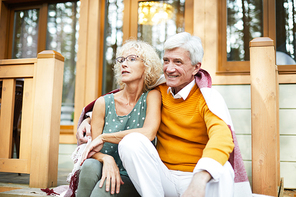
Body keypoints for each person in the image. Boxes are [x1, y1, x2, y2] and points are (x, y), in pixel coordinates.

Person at [77, 32, 249, 197]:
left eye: (178, 62)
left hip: (197, 176)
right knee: (131, 142)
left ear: (196, 67)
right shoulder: (160, 90)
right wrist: (89, 118)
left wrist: (200, 178)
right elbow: (124, 98)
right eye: (166, 61)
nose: (169, 68)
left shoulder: (208, 98)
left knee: (224, 169)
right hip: (163, 176)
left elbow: (222, 139)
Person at [76, 39, 162, 197]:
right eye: (121, 60)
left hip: (133, 174)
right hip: (103, 165)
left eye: (132, 59)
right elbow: (93, 149)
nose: (124, 64)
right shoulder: (103, 102)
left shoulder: (152, 97)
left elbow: (148, 133)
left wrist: (104, 137)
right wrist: (107, 160)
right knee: (89, 166)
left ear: (147, 66)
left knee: (101, 192)